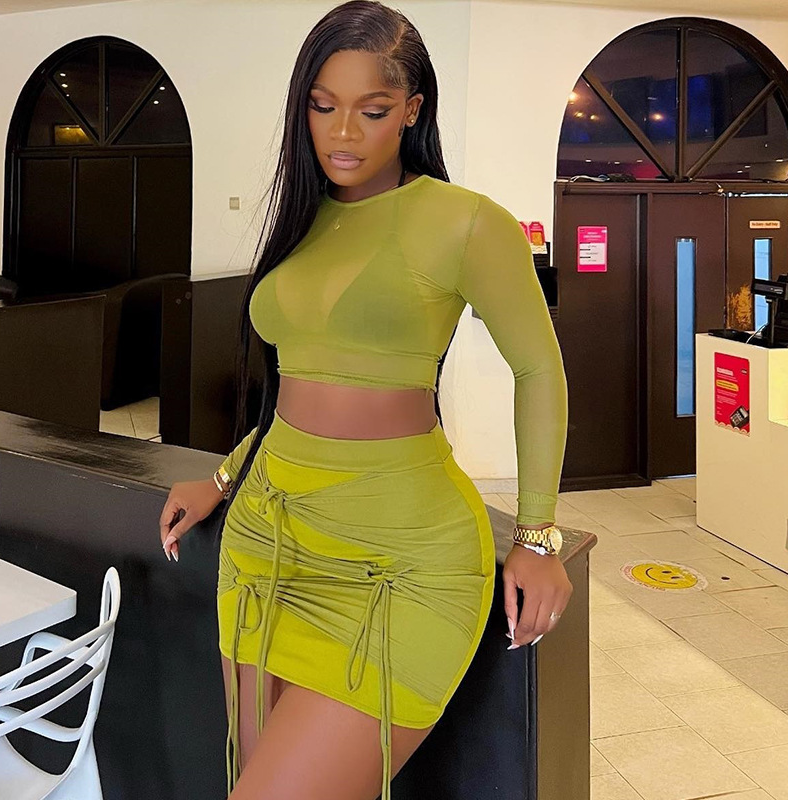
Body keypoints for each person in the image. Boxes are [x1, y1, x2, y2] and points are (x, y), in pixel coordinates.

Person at [158, 1, 571, 798]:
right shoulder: (304, 218)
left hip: (401, 557)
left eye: (372, 110)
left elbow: (539, 370)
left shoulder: (467, 223)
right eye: (323, 106)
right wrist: (222, 477)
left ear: (412, 111)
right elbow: (299, 383)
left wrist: (538, 534)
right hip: (268, 543)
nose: (343, 132)